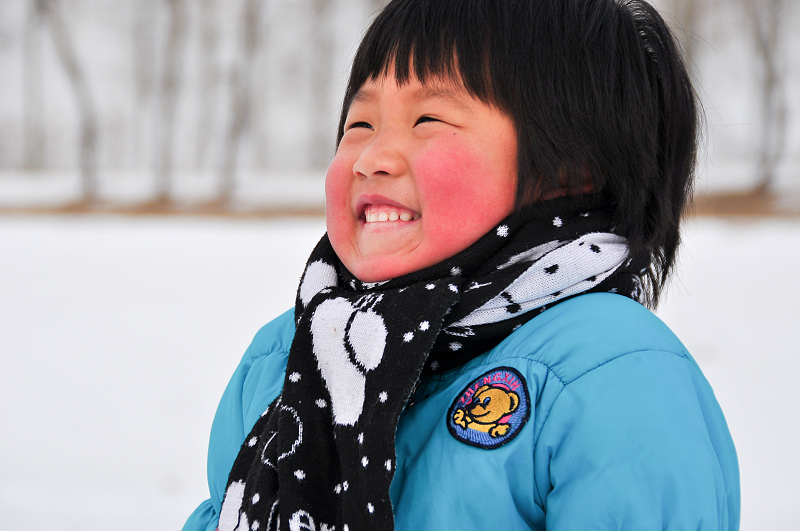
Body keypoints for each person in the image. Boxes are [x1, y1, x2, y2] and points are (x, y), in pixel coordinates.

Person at [183, 0, 740, 529]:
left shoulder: (604, 371)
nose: (373, 159)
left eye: (428, 119)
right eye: (360, 125)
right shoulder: (288, 354)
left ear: (569, 172)